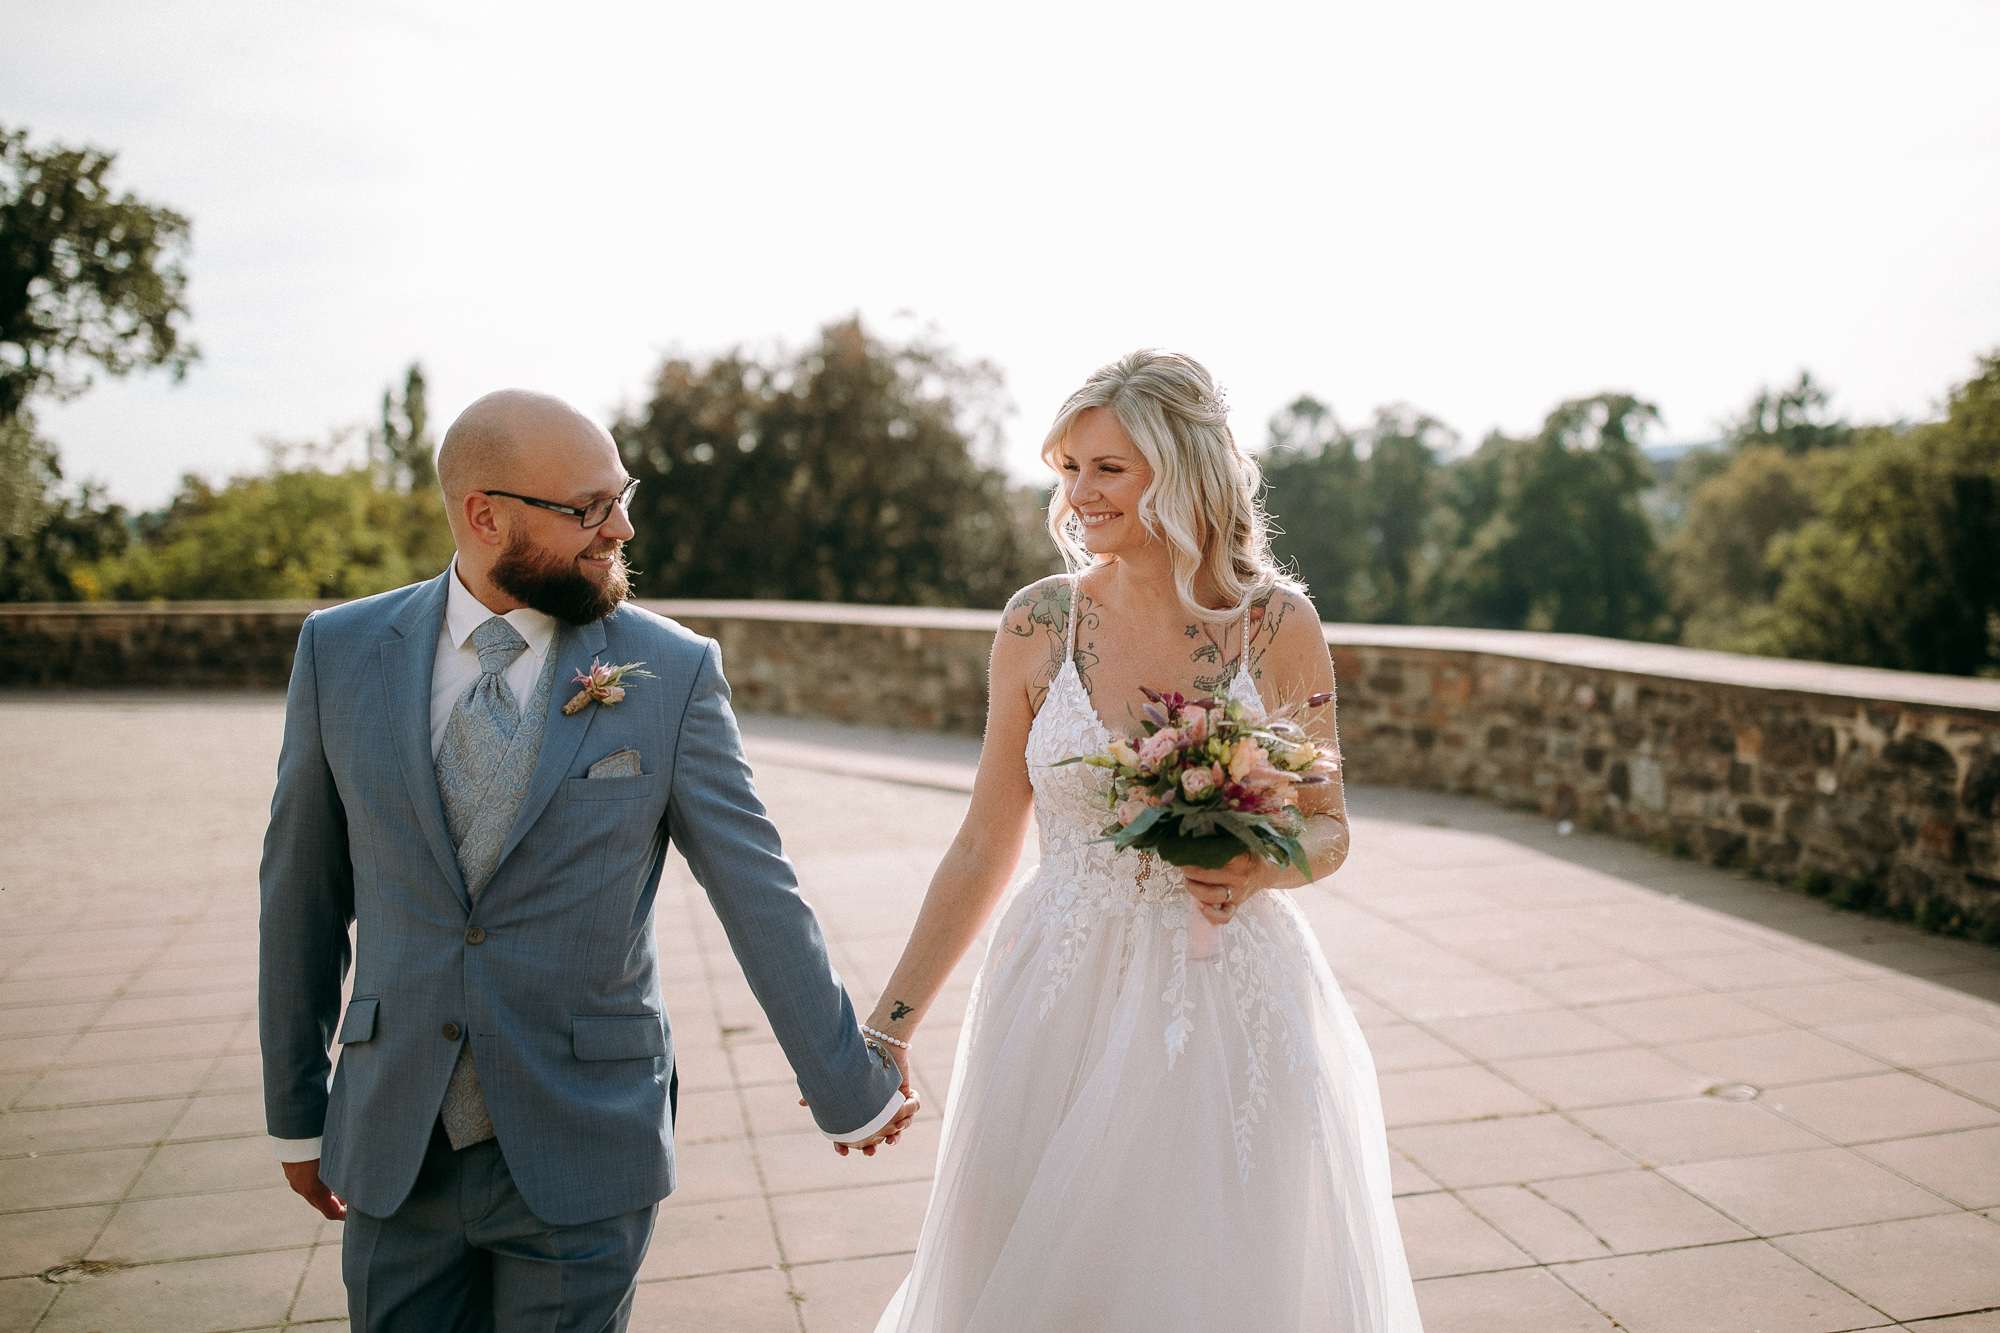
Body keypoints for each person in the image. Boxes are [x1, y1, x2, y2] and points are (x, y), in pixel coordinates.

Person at [259, 389, 917, 1332]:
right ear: (485, 514)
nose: (623, 525)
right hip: (393, 1138)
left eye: (621, 493)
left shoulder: (672, 670)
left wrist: (848, 1084)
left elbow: (757, 889)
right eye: (588, 507)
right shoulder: (340, 650)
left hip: (584, 1137)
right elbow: (299, 896)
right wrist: (295, 1105)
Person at [861, 351, 1423, 1330]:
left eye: (1104, 468)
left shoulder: (1276, 625)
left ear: (1180, 469)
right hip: (1056, 990)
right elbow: (982, 842)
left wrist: (1254, 864)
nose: (1077, 493)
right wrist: (888, 1024)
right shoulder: (1040, 621)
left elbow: (1327, 830)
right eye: (1067, 467)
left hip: (1228, 998)